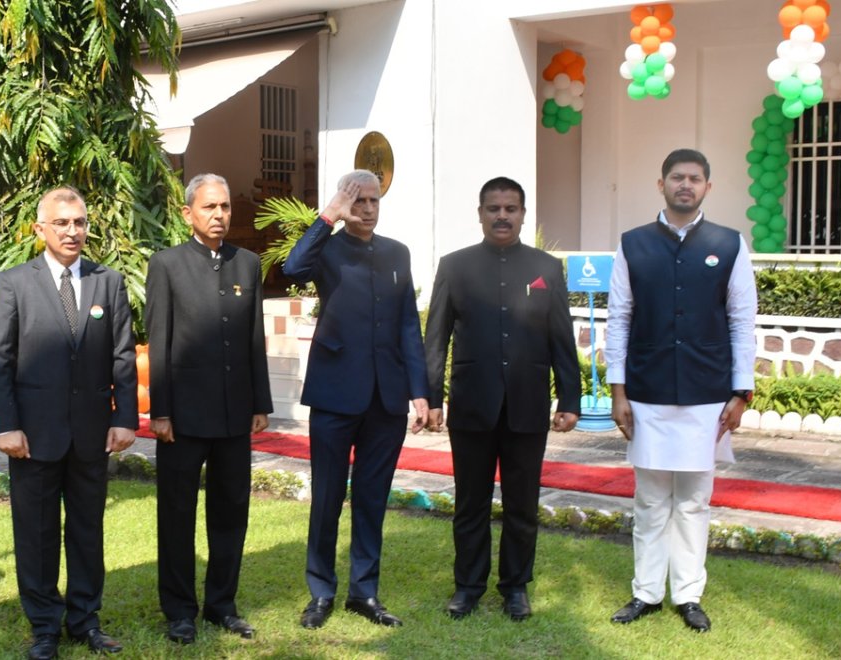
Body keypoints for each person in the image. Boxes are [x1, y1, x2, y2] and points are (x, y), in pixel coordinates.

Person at [605, 148, 757, 633]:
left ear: (708, 187)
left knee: (693, 501)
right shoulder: (633, 245)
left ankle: (688, 594)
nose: (685, 185)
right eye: (677, 177)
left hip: (708, 392)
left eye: (694, 178)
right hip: (647, 391)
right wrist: (618, 390)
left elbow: (741, 320)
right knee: (650, 500)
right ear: (661, 184)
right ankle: (646, 593)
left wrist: (741, 391)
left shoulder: (729, 244)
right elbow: (619, 319)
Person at [0, 186, 138, 659]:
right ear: (40, 229)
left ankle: (85, 620)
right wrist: (6, 426)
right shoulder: (14, 282)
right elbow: (0, 359)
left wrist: (125, 418)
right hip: (33, 435)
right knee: (36, 532)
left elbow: (122, 355)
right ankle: (45, 627)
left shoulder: (106, 282)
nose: (73, 231)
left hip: (93, 432)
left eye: (80, 222)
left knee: (87, 530)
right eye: (62, 223)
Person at [423, 177, 581, 622]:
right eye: (493, 208)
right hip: (473, 405)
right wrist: (431, 397)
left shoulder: (546, 268)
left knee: (522, 504)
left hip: (527, 406)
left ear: (523, 214)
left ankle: (515, 586)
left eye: (511, 208)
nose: (502, 216)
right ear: (480, 214)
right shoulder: (455, 267)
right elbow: (435, 338)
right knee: (470, 503)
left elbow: (561, 338)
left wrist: (569, 396)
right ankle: (468, 586)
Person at [283, 169, 429, 630]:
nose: (366, 209)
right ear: (346, 204)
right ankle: (321, 592)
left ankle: (364, 593)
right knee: (327, 496)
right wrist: (328, 215)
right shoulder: (326, 247)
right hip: (335, 392)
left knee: (371, 497)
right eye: (358, 201)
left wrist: (419, 391)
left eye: (373, 201)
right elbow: (291, 268)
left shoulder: (397, 253)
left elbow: (409, 323)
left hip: (386, 398)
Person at [145, 173, 273, 645]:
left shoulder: (248, 265)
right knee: (177, 515)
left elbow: (254, 338)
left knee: (231, 512)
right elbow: (158, 341)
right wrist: (161, 411)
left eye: (224, 207)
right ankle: (179, 610)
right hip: (182, 417)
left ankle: (222, 604)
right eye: (209, 208)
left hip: (235, 414)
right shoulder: (167, 265)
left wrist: (260, 402)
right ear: (188, 214)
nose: (219, 215)